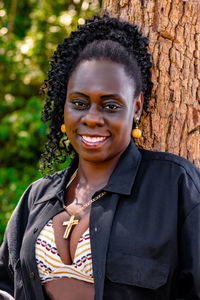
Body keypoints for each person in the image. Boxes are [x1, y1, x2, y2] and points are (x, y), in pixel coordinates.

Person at [0, 14, 200, 300]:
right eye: (79, 103)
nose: (92, 118)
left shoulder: (175, 185)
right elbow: (6, 284)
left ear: (137, 108)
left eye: (110, 105)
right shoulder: (37, 198)